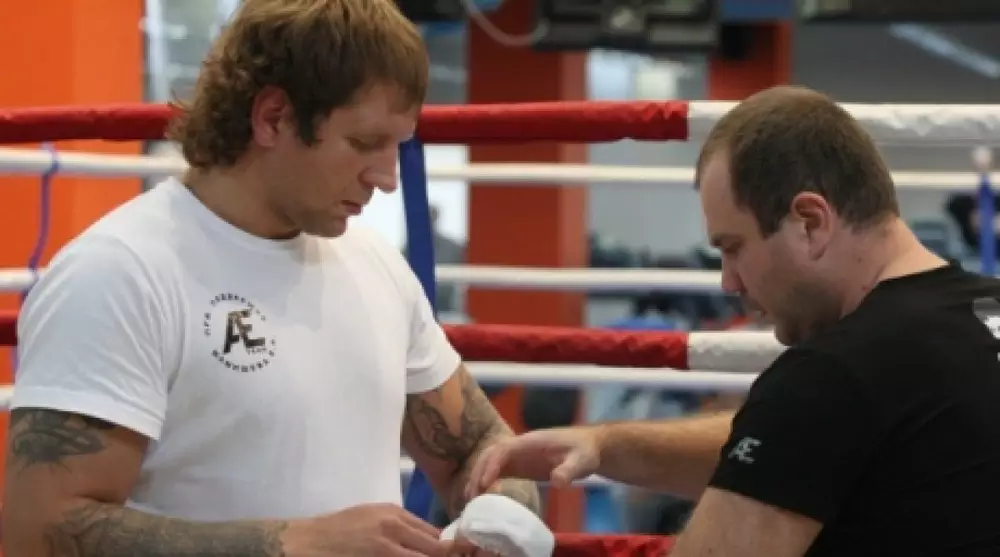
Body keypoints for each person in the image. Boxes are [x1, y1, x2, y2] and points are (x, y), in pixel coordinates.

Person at [2, 2, 540, 557]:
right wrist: (295, 544)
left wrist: (499, 518)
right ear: (273, 118)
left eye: (397, 146)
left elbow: (480, 445)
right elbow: (37, 531)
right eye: (363, 143)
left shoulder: (374, 263)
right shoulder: (120, 273)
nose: (387, 178)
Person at [463, 86, 1000, 556]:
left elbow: (812, 424)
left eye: (733, 247)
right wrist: (608, 446)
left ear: (810, 222)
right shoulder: (973, 320)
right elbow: (807, 446)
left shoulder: (835, 374)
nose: (729, 282)